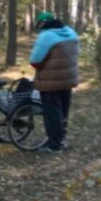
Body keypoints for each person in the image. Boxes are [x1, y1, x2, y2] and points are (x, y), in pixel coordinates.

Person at [29, 11, 80, 153]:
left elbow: (35, 60)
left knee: (52, 113)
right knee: (63, 112)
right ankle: (62, 139)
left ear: (42, 24)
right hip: (68, 80)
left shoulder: (46, 36)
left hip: (50, 83)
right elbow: (77, 52)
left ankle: (54, 145)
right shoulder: (71, 32)